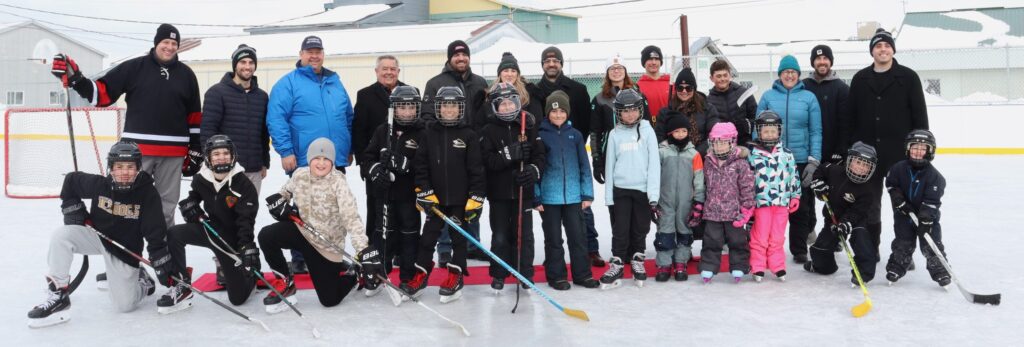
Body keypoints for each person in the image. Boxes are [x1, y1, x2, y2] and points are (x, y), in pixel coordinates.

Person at [51, 24, 201, 228]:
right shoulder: (134, 67)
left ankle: (164, 253)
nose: (170, 47)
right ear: (157, 43)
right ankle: (127, 248)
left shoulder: (187, 75)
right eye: (165, 42)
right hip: (137, 152)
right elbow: (102, 94)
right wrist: (77, 80)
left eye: (174, 43)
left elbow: (194, 117)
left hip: (174, 152)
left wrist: (196, 149)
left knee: (167, 205)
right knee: (126, 202)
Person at [28, 142, 175, 328]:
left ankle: (143, 282)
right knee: (61, 236)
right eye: (119, 167)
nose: (124, 172)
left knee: (124, 306)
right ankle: (58, 293)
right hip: (95, 236)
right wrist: (73, 209)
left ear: (138, 167)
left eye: (130, 167)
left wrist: (159, 257)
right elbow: (71, 181)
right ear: (111, 167)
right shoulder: (100, 185)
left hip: (124, 249)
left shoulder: (147, 193)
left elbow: (154, 229)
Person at [259, 138, 381, 312]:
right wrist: (279, 202)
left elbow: (351, 218)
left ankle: (353, 275)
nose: (321, 163)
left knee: (329, 299)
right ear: (309, 159)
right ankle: (285, 282)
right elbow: (285, 192)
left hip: (325, 245)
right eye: (317, 158)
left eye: (326, 159)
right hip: (302, 230)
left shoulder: (339, 182)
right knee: (267, 236)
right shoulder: (300, 174)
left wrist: (363, 250)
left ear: (332, 161)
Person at [266, 35, 355, 274]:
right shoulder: (288, 83)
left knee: (334, 211)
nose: (314, 55)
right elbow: (276, 119)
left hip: (334, 160)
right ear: (301, 54)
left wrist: (348, 149)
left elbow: (347, 116)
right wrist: (285, 151)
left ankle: (334, 254)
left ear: (323, 53)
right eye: (309, 51)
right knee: (306, 210)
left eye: (318, 51)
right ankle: (301, 256)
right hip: (304, 160)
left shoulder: (335, 82)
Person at [847, 28, 929, 253]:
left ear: (892, 49)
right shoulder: (860, 79)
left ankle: (903, 250)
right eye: (878, 46)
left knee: (902, 205)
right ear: (872, 51)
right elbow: (850, 118)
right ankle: (871, 249)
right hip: (867, 156)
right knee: (869, 205)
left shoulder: (908, 77)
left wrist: (920, 148)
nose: (883, 49)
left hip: (899, 155)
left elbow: (919, 115)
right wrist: (852, 148)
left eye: (886, 45)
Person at [405, 86, 486, 304]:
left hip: (460, 201)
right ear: (438, 108)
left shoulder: (469, 135)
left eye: (453, 106)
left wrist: (476, 198)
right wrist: (425, 192)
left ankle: (455, 275)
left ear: (460, 108)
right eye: (445, 106)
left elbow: (477, 170)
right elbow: (420, 167)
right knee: (428, 238)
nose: (449, 110)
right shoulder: (429, 133)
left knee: (459, 239)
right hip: (436, 201)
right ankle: (421, 274)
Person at [527, 45, 599, 267]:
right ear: (542, 64)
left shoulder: (577, 89)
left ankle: (591, 250)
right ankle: (554, 257)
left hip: (571, 153)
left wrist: (573, 144)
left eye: (555, 61)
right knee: (550, 217)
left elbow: (586, 122)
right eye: (547, 61)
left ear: (561, 63)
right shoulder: (534, 91)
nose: (551, 64)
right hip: (545, 158)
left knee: (581, 211)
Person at [166, 135, 259, 306]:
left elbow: (246, 220)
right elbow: (193, 197)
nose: (221, 157)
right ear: (208, 157)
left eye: (225, 153)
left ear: (233, 156)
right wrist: (191, 207)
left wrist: (245, 246)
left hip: (229, 240)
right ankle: (181, 282)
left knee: (237, 299)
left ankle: (250, 277)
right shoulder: (201, 178)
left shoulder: (243, 184)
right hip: (209, 230)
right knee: (174, 234)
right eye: (216, 154)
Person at [422, 40, 488, 263]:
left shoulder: (479, 82)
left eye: (465, 55)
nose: (461, 58)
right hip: (445, 149)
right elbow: (427, 116)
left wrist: (478, 137)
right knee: (445, 199)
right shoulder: (435, 83)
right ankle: (444, 248)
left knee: (471, 197)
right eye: (457, 55)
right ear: (450, 58)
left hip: (472, 148)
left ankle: (472, 243)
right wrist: (441, 136)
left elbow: (485, 114)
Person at [479, 82, 546, 293]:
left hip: (523, 193)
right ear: (495, 107)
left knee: (524, 235)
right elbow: (488, 161)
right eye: (503, 104)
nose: (507, 108)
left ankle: (524, 273)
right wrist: (508, 154)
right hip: (498, 193)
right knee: (500, 235)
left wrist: (533, 171)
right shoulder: (489, 130)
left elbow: (539, 155)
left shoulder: (527, 125)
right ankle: (498, 274)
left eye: (511, 103)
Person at [757, 54, 822, 264]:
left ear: (798, 75)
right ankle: (766, 247)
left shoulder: (809, 98)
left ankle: (799, 249)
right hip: (773, 159)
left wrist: (814, 160)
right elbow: (758, 128)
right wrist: (759, 155)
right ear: (780, 74)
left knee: (800, 206)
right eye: (786, 72)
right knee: (770, 206)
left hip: (801, 159)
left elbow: (816, 130)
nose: (790, 75)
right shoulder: (767, 97)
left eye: (793, 72)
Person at [360, 85, 425, 295]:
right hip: (385, 196)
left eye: (411, 107)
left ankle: (407, 276)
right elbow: (367, 158)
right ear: (393, 109)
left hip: (409, 197)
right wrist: (376, 170)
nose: (407, 112)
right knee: (383, 232)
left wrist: (405, 164)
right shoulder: (382, 131)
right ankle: (380, 273)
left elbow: (426, 167)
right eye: (402, 107)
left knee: (409, 234)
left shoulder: (423, 132)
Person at [535, 91, 601, 290]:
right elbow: (535, 169)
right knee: (554, 239)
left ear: (567, 113)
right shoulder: (539, 134)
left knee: (578, 237)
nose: (558, 115)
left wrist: (587, 193)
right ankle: (557, 276)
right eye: (554, 111)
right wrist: (536, 196)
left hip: (574, 197)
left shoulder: (575, 135)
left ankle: (582, 274)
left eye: (562, 111)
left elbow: (584, 166)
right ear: (548, 112)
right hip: (549, 198)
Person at [589, 55, 648, 267]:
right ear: (607, 73)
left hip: (636, 156)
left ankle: (636, 250)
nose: (616, 71)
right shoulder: (599, 99)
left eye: (619, 67)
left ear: (625, 71)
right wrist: (597, 159)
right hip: (611, 158)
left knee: (638, 205)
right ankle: (620, 247)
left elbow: (647, 126)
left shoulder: (639, 95)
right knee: (618, 206)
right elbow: (594, 132)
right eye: (612, 68)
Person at [599, 89, 660, 290]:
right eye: (625, 111)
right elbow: (609, 166)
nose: (630, 114)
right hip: (621, 190)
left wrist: (653, 194)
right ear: (618, 113)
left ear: (640, 110)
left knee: (640, 228)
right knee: (620, 229)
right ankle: (616, 263)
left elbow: (654, 165)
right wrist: (609, 197)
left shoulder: (648, 130)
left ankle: (637, 260)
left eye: (634, 110)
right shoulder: (614, 134)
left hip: (642, 190)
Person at [804, 142, 880, 285]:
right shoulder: (834, 170)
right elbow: (821, 170)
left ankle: (863, 274)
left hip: (856, 221)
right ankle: (823, 267)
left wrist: (846, 223)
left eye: (866, 165)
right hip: (833, 219)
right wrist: (818, 183)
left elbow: (858, 211)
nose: (861, 167)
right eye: (858, 162)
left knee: (862, 241)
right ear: (850, 160)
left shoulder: (868, 190)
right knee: (820, 250)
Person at [353, 55, 408, 250]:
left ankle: (401, 250)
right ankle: (375, 248)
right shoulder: (365, 95)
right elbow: (358, 131)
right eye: (384, 68)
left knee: (403, 209)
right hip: (376, 163)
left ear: (398, 71)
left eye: (393, 69)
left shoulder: (410, 92)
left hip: (403, 164)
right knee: (376, 209)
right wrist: (364, 165)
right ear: (376, 71)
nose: (388, 72)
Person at [200, 44, 270, 193]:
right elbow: (207, 131)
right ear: (235, 65)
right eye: (243, 62)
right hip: (225, 169)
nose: (247, 66)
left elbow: (263, 133)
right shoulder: (216, 93)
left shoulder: (262, 97)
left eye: (251, 62)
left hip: (254, 169)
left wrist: (264, 162)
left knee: (249, 213)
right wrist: (210, 163)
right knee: (224, 214)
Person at [883, 130, 949, 287]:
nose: (918, 152)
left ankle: (940, 271)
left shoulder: (936, 177)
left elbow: (932, 201)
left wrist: (926, 218)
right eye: (914, 147)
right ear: (908, 148)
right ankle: (897, 266)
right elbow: (892, 184)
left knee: (931, 243)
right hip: (903, 214)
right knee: (903, 241)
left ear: (930, 151)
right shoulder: (898, 168)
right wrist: (898, 199)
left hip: (928, 218)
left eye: (922, 148)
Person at [747, 111, 800, 282]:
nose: (770, 134)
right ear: (759, 132)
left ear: (779, 131)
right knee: (760, 235)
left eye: (773, 130)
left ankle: (777, 266)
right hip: (762, 203)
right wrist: (748, 202)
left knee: (777, 235)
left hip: (781, 202)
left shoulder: (787, 154)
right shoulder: (752, 154)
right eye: (766, 131)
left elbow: (793, 176)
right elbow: (747, 180)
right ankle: (758, 266)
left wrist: (795, 196)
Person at [698, 122, 754, 284]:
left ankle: (739, 266)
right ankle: (708, 267)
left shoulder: (740, 163)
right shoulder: (708, 161)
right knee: (711, 241)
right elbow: (704, 184)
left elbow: (747, 187)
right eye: (716, 142)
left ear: (732, 142)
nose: (719, 146)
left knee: (737, 241)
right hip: (713, 212)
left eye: (723, 143)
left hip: (734, 213)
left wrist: (746, 209)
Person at [653, 113, 705, 282]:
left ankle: (680, 262)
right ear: (670, 133)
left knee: (684, 231)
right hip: (665, 200)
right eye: (677, 131)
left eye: (684, 131)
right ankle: (664, 264)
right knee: (665, 232)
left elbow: (699, 179)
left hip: (686, 202)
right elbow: (654, 177)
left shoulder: (694, 154)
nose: (681, 134)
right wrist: (653, 200)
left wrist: (698, 201)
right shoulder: (661, 152)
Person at [654, 67, 720, 154]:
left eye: (688, 88)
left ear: (694, 89)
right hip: (674, 158)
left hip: (701, 157)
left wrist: (694, 154)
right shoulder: (666, 112)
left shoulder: (708, 109)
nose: (684, 91)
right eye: (680, 88)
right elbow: (660, 136)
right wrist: (676, 153)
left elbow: (713, 135)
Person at [706, 60, 757, 145]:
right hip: (721, 147)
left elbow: (756, 117)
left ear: (730, 75)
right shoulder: (708, 101)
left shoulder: (744, 93)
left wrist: (746, 126)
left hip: (744, 143)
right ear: (711, 78)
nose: (722, 79)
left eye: (725, 75)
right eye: (718, 76)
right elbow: (707, 126)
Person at [636, 45, 672, 123]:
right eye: (650, 59)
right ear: (644, 63)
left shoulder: (671, 83)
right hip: (647, 126)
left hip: (669, 124)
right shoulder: (637, 86)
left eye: (656, 59)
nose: (653, 62)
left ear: (661, 62)